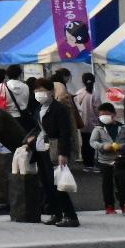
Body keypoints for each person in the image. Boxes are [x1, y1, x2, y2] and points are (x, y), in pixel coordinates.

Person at [37, 81, 81, 227]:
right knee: (47, 183)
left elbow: (65, 132)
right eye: (36, 90)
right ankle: (56, 213)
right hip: (43, 147)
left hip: (56, 148)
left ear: (51, 91)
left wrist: (64, 153)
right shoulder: (40, 108)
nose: (39, 93)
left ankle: (70, 215)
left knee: (58, 183)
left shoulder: (59, 109)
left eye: (42, 90)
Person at [88, 101, 125, 214]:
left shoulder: (123, 127)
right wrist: (103, 146)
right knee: (107, 184)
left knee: (122, 184)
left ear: (114, 114)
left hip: (121, 159)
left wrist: (122, 146)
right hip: (104, 161)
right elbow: (92, 142)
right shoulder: (98, 128)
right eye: (101, 115)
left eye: (106, 114)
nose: (103, 117)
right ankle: (109, 206)